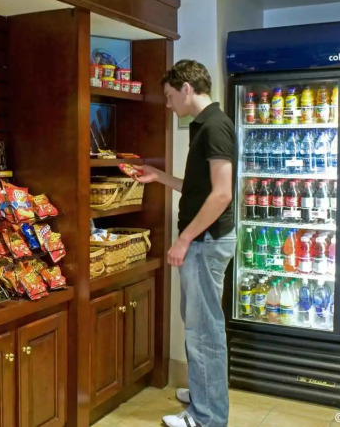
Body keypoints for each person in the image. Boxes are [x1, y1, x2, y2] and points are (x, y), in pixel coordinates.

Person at [134, 60, 236, 427]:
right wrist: (160, 176)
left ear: (187, 89)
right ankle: (202, 395)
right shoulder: (204, 125)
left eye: (169, 95)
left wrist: (184, 239)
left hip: (205, 242)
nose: (167, 103)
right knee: (198, 324)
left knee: (203, 330)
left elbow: (222, 194)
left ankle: (206, 418)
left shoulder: (214, 127)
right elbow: (199, 190)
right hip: (203, 241)